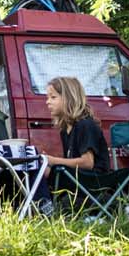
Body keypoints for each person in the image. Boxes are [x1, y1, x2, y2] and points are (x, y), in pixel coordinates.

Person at [36, 75, 110, 214]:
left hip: (94, 185)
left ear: (69, 98)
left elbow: (88, 163)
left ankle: (47, 211)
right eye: (48, 98)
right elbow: (70, 164)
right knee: (36, 169)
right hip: (78, 182)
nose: (47, 102)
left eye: (53, 97)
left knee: (64, 204)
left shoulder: (85, 125)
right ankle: (38, 209)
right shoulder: (66, 130)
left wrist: (53, 160)